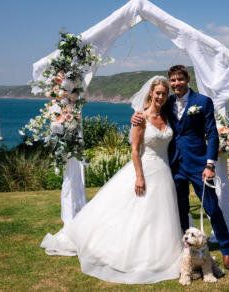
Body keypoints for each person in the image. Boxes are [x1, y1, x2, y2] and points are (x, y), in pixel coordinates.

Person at [41, 76, 184, 284]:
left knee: (160, 216)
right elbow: (135, 151)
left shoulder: (167, 116)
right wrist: (139, 177)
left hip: (164, 172)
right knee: (138, 213)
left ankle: (161, 252)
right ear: (151, 93)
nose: (161, 96)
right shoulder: (140, 118)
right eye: (158, 93)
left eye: (164, 93)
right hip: (145, 169)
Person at [131, 65, 229, 269]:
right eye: (173, 80)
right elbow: (151, 111)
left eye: (180, 79)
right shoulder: (167, 103)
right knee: (180, 209)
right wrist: (137, 116)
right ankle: (187, 249)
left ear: (187, 79)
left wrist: (210, 164)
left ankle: (226, 249)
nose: (176, 83)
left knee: (211, 207)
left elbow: (212, 134)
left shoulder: (202, 102)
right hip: (174, 165)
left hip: (198, 165)